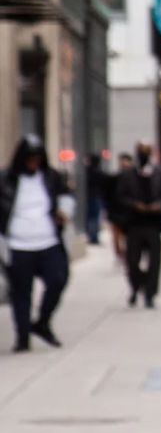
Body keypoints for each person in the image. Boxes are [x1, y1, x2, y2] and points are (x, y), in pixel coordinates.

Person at [1, 136, 71, 352]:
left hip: (47, 241)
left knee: (58, 278)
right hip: (18, 245)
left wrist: (64, 211)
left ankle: (42, 322)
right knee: (21, 293)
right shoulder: (6, 180)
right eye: (30, 159)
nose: (34, 163)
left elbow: (66, 196)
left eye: (38, 158)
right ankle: (22, 337)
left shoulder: (50, 177)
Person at [116, 141, 161, 308]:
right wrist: (134, 205)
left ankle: (150, 294)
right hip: (134, 224)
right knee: (132, 262)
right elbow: (119, 196)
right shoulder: (127, 174)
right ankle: (136, 286)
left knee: (154, 262)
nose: (144, 155)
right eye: (141, 151)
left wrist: (159, 206)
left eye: (146, 151)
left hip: (154, 224)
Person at [108, 153, 134, 260]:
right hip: (116, 211)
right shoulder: (115, 178)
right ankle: (120, 254)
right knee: (116, 235)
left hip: (129, 211)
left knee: (128, 236)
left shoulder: (135, 179)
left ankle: (128, 253)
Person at [84, 152, 106, 244]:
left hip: (90, 196)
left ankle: (92, 235)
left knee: (91, 217)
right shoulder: (98, 172)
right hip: (95, 197)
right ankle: (93, 237)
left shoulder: (87, 171)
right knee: (95, 218)